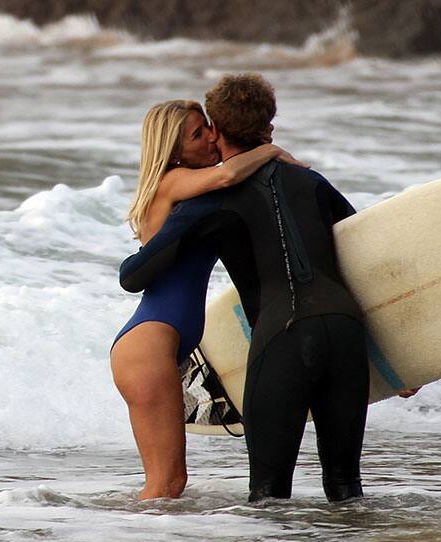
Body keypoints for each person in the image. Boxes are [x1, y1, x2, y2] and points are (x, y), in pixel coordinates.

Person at [120, 74, 372, 503]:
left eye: (204, 130)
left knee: (268, 500)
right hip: (346, 335)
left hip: (281, 338)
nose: (203, 139)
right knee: (347, 491)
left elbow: (133, 275)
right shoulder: (311, 182)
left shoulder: (208, 205)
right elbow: (367, 255)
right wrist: (400, 358)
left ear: (217, 131)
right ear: (269, 125)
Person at [110, 99, 306, 500]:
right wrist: (269, 149)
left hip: (162, 340)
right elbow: (227, 175)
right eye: (198, 134)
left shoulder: (188, 194)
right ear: (175, 149)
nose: (210, 139)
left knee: (169, 484)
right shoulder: (172, 180)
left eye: (209, 129)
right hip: (147, 345)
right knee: (166, 484)